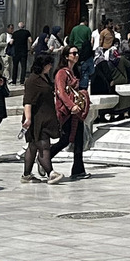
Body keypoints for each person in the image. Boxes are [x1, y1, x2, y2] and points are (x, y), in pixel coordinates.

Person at [20, 53, 62, 183]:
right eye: (48, 63)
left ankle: (26, 175)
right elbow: (27, 101)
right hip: (36, 119)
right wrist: (28, 118)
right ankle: (51, 173)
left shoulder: (44, 78)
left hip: (45, 118)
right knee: (43, 145)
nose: (50, 66)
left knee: (33, 146)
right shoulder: (32, 80)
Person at [53, 46, 89, 180]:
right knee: (65, 140)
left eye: (77, 53)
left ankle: (78, 169)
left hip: (76, 112)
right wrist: (71, 105)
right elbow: (61, 92)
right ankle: (45, 157)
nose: (77, 55)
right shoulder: (61, 73)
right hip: (67, 112)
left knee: (78, 140)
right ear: (66, 56)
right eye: (74, 53)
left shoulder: (73, 72)